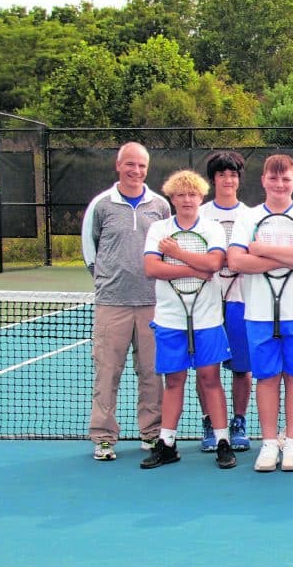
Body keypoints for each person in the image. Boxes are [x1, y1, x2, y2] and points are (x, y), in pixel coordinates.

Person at [227, 155, 293, 472]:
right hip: (259, 313)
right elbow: (236, 262)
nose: (280, 184)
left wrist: (262, 250)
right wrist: (289, 258)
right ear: (264, 180)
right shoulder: (248, 217)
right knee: (266, 378)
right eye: (274, 178)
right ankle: (269, 443)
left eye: (286, 179)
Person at [81, 141, 170, 462]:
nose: (135, 171)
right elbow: (90, 254)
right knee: (108, 372)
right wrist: (111, 283)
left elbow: (166, 248)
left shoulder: (159, 206)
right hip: (112, 305)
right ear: (118, 166)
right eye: (129, 164)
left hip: (152, 304)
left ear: (147, 169)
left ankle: (152, 432)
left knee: (151, 372)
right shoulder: (101, 205)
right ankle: (103, 437)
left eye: (141, 166)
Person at [140, 170, 233, 469]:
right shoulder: (158, 229)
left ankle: (223, 441)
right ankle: (166, 443)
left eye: (192, 194)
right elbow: (152, 268)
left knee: (210, 379)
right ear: (172, 198)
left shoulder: (213, 228)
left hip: (207, 319)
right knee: (174, 380)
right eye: (180, 195)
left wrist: (176, 253)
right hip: (170, 319)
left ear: (201, 197)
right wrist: (195, 270)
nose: (187, 199)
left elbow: (214, 263)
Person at [197, 150, 252, 454]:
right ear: (214, 179)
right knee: (207, 367)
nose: (228, 179)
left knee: (242, 368)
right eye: (222, 175)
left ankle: (239, 422)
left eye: (233, 174)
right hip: (205, 302)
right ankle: (209, 422)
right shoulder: (201, 214)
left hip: (242, 302)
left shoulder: (250, 215)